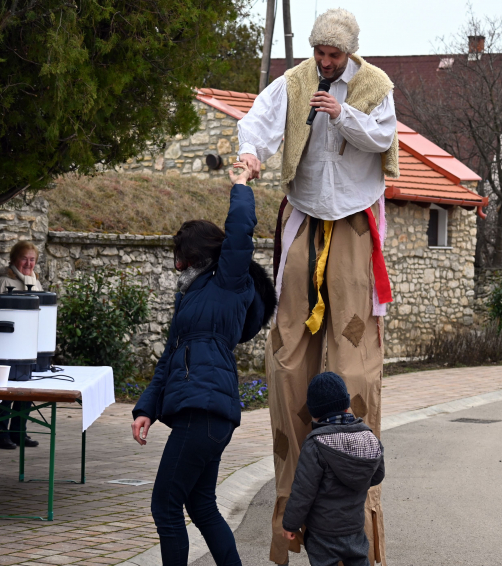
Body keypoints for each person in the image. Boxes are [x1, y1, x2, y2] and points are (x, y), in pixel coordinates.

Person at [235, 8, 396, 563]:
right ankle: (290, 527)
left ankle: (361, 521)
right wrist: (251, 154)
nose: (325, 63)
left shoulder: (375, 86)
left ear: (349, 53)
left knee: (354, 367)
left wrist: (344, 113)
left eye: (333, 56)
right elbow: (258, 120)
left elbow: (384, 139)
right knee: (287, 364)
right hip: (304, 217)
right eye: (320, 53)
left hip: (353, 221)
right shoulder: (296, 82)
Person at [131, 163, 273, 566]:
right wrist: (146, 408)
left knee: (165, 507)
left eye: (181, 256)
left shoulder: (229, 278)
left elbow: (241, 229)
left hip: (205, 410)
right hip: (204, 411)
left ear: (196, 254)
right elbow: (170, 359)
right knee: (201, 504)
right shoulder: (191, 297)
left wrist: (241, 185)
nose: (176, 264)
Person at [282, 372, 385, 566]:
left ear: (314, 413)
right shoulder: (369, 437)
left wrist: (290, 524)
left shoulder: (315, 444)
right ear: (347, 405)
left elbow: (303, 492)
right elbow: (378, 475)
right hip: (354, 526)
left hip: (322, 531)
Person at [0, 240, 43, 449]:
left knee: (25, 389)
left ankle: (19, 432)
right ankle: (0, 433)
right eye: (24, 259)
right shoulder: (2, 282)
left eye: (32, 259)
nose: (28, 263)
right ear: (13, 260)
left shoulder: (35, 281)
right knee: (5, 390)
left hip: (27, 346)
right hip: (4, 345)